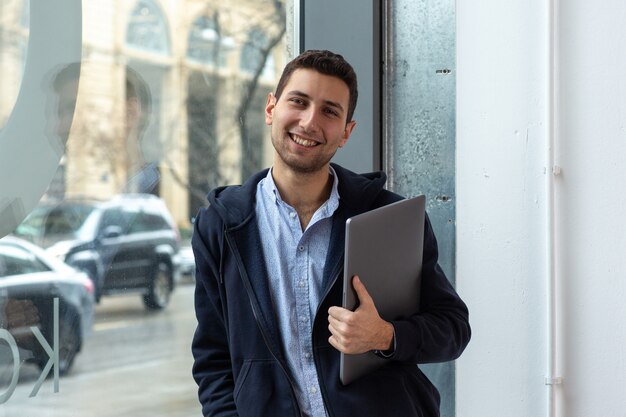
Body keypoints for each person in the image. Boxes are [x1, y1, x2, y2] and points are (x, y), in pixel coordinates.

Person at [191, 49, 471, 417]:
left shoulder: (390, 217)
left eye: (329, 111)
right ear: (271, 108)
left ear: (346, 132)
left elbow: (452, 328)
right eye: (299, 101)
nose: (309, 122)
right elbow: (214, 358)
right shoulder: (222, 226)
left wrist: (385, 335)